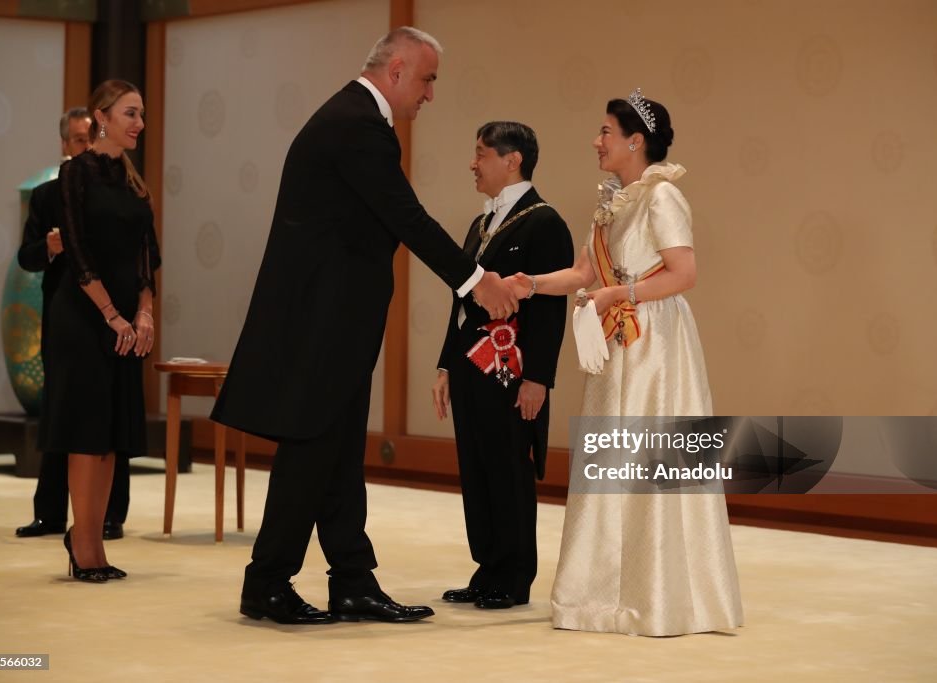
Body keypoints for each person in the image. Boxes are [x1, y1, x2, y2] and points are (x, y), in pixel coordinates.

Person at [211, 27, 518, 626]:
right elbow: (406, 216)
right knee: (313, 449)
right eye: (428, 80)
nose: (430, 94)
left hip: (333, 318)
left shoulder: (353, 120)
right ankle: (267, 582)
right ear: (398, 70)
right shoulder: (356, 124)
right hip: (320, 320)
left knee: (339, 449)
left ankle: (352, 578)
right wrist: (476, 281)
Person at [507, 90, 743, 636]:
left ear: (635, 141)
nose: (597, 141)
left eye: (606, 132)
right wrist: (533, 284)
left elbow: (684, 274)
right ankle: (600, 596)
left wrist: (623, 295)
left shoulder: (662, 198)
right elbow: (586, 273)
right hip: (618, 339)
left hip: (655, 342)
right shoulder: (612, 201)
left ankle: (661, 597)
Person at [431, 122, 573, 610]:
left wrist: (539, 379)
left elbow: (553, 309)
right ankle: (487, 567)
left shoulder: (544, 222)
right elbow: (461, 302)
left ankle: (513, 577)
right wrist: (446, 365)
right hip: (472, 367)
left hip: (513, 374)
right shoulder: (480, 223)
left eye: (482, 154)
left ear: (512, 160)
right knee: (476, 467)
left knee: (508, 469)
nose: (473, 163)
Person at [38, 80, 160, 583]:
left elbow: (146, 257)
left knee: (110, 436)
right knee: (87, 435)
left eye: (142, 115)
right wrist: (112, 314)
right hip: (83, 317)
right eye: (130, 114)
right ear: (101, 118)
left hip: (125, 323)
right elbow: (79, 250)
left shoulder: (133, 181)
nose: (139, 123)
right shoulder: (76, 173)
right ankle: (84, 545)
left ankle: (91, 543)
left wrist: (145, 314)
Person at [15, 106, 130, 541]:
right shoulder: (48, 196)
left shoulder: (120, 191)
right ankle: (49, 513)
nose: (87, 145)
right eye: (79, 140)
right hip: (65, 316)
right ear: (66, 145)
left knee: (110, 412)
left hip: (109, 313)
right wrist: (48, 245)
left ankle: (109, 515)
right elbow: (25, 257)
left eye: (92, 136)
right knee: (60, 411)